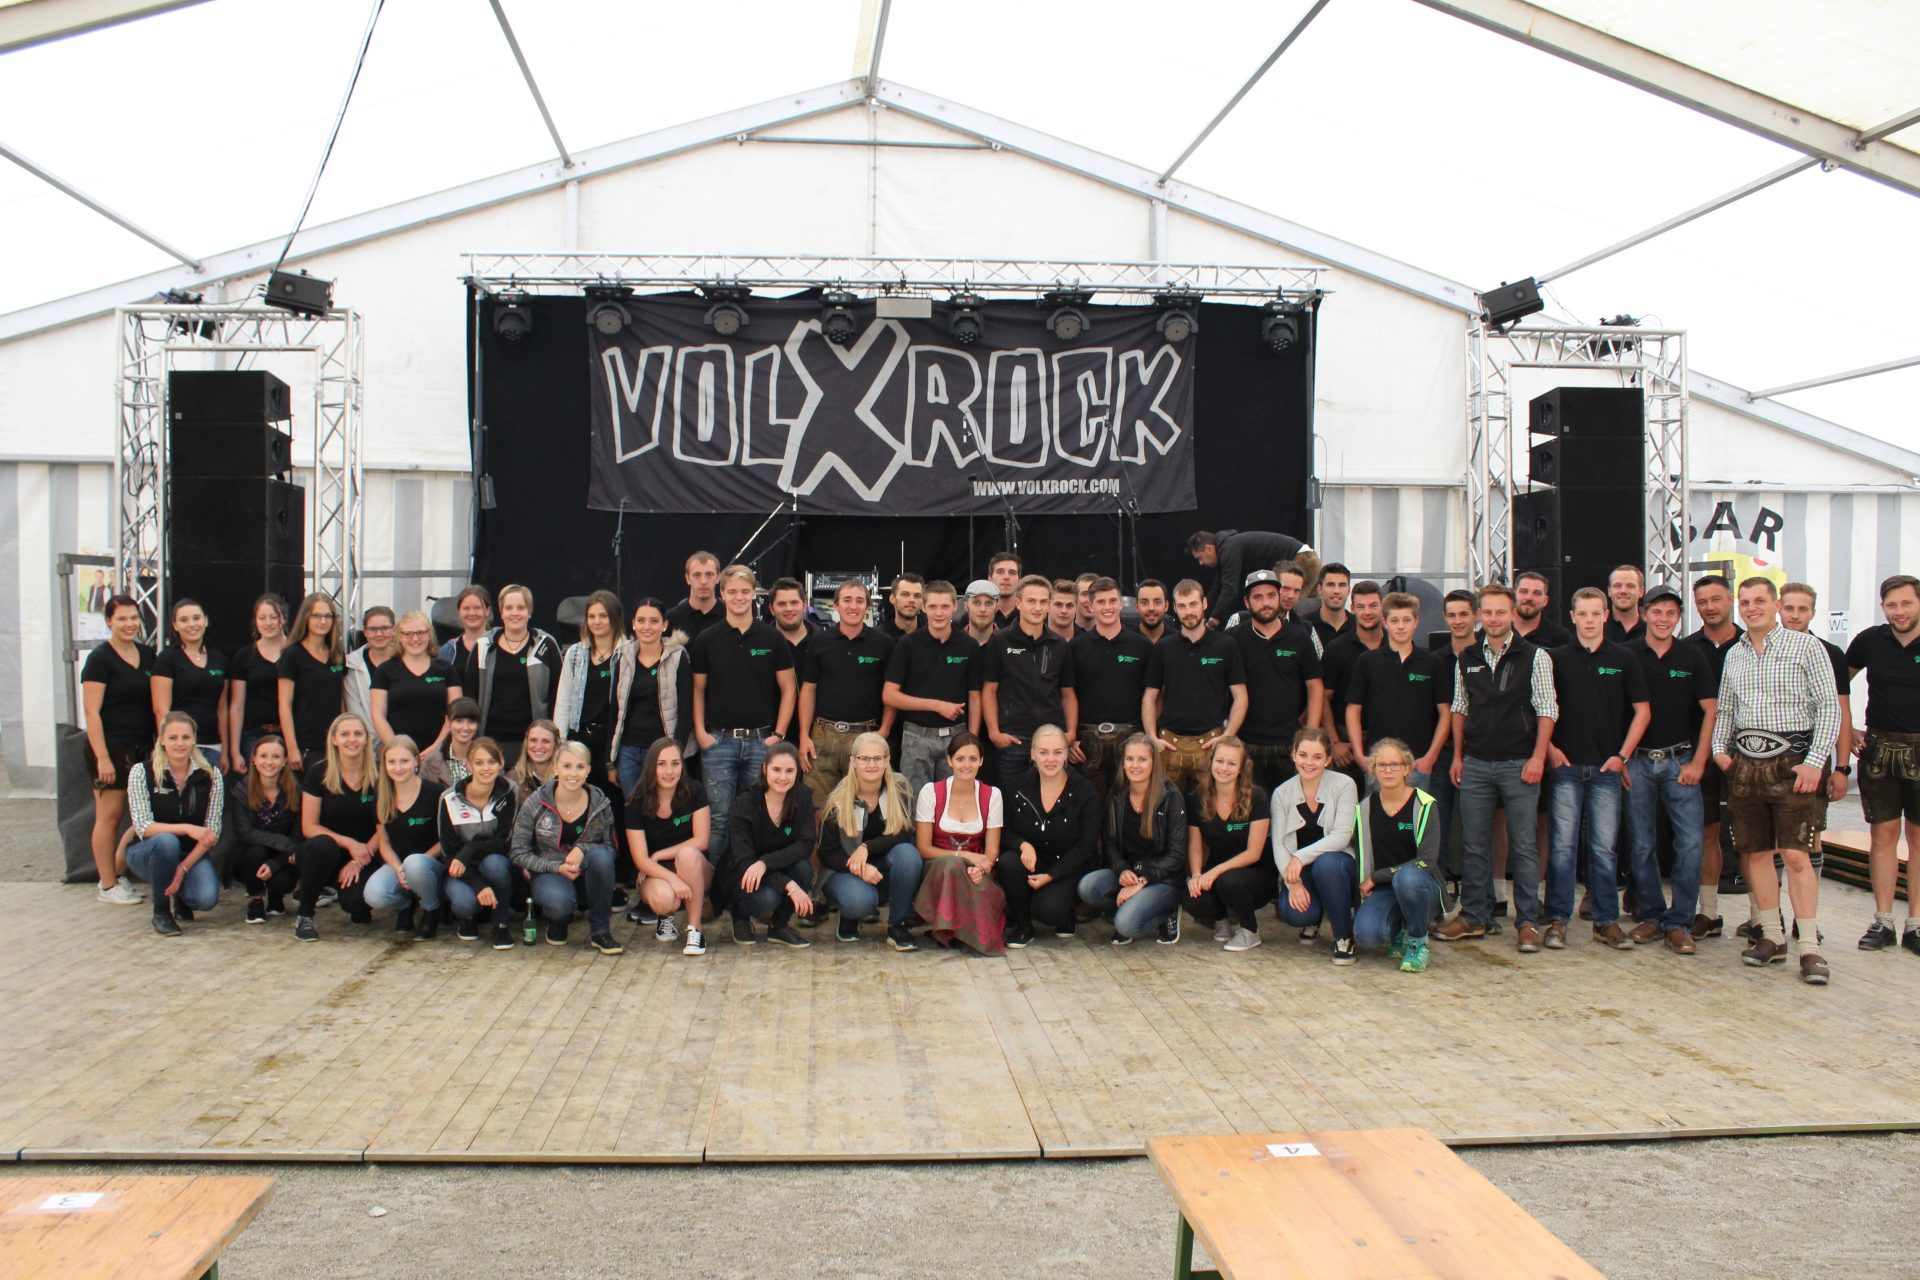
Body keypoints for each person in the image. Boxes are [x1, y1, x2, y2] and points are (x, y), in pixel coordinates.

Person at [1713, 577, 1841, 984]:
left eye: (1760, 601)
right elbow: (1726, 709)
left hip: (1793, 762)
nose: (1752, 608)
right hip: (1746, 764)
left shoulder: (1806, 647)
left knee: (1796, 855)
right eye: (1746, 602)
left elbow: (1829, 707)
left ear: (1776, 604)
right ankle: (1772, 936)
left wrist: (1815, 762)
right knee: (1755, 854)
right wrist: (1719, 750)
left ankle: (1810, 947)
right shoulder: (1735, 654)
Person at [1435, 583, 1558, 949]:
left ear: (1512, 614)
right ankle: (1475, 917)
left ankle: (1527, 921)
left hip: (1519, 763)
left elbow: (1547, 709)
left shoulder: (1535, 656)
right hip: (1475, 762)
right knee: (1474, 845)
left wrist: (1538, 757)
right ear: (1479, 616)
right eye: (1487, 612)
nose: (1493, 618)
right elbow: (1460, 708)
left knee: (1523, 846)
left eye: (1500, 612)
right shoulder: (1468, 657)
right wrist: (1459, 756)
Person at [1544, 587, 1651, 950]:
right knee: (1562, 848)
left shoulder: (1624, 658)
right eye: (1583, 614)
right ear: (1572, 616)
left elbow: (1643, 711)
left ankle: (1606, 922)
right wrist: (1550, 749)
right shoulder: (1554, 658)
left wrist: (1623, 755)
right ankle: (1557, 920)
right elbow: (1539, 708)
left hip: (1607, 770)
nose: (1589, 620)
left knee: (1604, 849)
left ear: (1606, 615)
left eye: (1595, 613)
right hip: (1566, 768)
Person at [1622, 584, 1716, 954]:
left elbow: (1711, 710)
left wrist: (1700, 761)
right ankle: (1652, 916)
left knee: (1690, 843)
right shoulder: (1627, 654)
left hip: (1681, 760)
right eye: (1657, 612)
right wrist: (1622, 758)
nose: (1664, 619)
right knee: (1641, 843)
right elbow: (1616, 711)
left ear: (1678, 617)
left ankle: (1679, 922)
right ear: (1644, 613)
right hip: (1638, 762)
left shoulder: (1692, 655)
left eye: (1671, 613)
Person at [691, 564, 797, 853]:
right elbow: (697, 689)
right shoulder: (707, 639)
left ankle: (755, 877)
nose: (739, 597)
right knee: (719, 820)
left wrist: (778, 734)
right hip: (718, 742)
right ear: (722, 594)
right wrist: (700, 732)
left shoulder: (772, 639)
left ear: (754, 594)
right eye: (733, 591)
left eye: (745, 591)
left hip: (761, 743)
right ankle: (715, 880)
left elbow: (789, 688)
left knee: (758, 818)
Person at [1845, 574, 1920, 953]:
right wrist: (1848, 728)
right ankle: (1883, 922)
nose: (1899, 611)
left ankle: (1916, 925)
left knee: (1918, 839)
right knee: (1882, 837)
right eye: (1892, 605)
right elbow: (1837, 686)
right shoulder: (1869, 641)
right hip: (1878, 750)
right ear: (1883, 607)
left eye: (1906, 603)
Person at [511, 739, 622, 953]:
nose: (573, 773)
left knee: (602, 858)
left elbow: (611, 847)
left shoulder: (600, 802)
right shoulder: (536, 802)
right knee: (559, 905)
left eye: (580, 766)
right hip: (549, 871)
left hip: (585, 870)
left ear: (588, 770)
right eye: (567, 766)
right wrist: (557, 867)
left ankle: (600, 932)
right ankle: (558, 921)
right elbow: (518, 852)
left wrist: (583, 849)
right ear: (556, 768)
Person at [1141, 579, 1248, 797]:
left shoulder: (1226, 645)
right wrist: (1152, 737)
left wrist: (1228, 736)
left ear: (1204, 604)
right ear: (1174, 607)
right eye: (1182, 606)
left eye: (1193, 604)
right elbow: (1149, 697)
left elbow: (1241, 696)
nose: (1188, 612)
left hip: (1210, 743)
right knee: (1165, 811)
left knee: (1208, 810)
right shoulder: (1163, 648)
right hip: (1169, 744)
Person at [83, 594, 156, 905]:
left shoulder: (148, 655)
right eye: (122, 618)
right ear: (109, 621)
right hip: (111, 747)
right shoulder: (100, 659)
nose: (129, 624)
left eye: (134, 618)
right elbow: (91, 712)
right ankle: (108, 885)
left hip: (143, 746)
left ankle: (117, 870)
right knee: (109, 815)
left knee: (143, 814)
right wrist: (102, 757)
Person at [818, 731, 923, 949]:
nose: (871, 764)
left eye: (877, 758)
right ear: (853, 761)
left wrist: (867, 847)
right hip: (844, 870)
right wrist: (858, 868)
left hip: (883, 867)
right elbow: (827, 854)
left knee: (909, 855)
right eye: (864, 758)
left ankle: (898, 926)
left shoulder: (900, 787)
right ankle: (850, 916)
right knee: (859, 901)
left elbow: (904, 833)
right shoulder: (838, 799)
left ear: (887, 760)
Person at [123, 711, 225, 936]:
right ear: (161, 740)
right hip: (148, 851)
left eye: (185, 737)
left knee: (206, 898)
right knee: (167, 842)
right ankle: (161, 912)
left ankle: (182, 897)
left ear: (194, 739)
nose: (180, 743)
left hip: (189, 853)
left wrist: (183, 868)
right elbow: (143, 826)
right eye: (173, 737)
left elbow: (212, 832)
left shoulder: (211, 774)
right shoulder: (142, 772)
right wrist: (187, 828)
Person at [797, 579, 895, 809]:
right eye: (847, 600)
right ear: (836, 605)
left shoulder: (883, 643)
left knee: (864, 807)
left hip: (865, 734)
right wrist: (804, 736)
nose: (853, 606)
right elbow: (808, 689)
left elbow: (891, 692)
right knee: (816, 806)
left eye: (859, 601)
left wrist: (884, 731)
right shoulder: (819, 641)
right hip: (823, 735)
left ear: (867, 607)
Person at [1080, 733, 1185, 945]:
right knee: (1088, 887)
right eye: (1129, 759)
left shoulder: (1170, 797)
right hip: (1130, 873)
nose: (1135, 765)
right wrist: (1122, 870)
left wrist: (1143, 880)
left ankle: (1167, 912)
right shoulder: (1118, 794)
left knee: (1126, 924)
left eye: (1142, 759)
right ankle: (1130, 907)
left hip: (1163, 878)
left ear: (1154, 763)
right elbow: (1109, 842)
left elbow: (1177, 855)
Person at [999, 724, 1100, 947]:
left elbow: (1086, 845)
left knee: (1048, 911)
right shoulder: (1016, 786)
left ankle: (1064, 914)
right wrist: (1023, 844)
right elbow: (1004, 830)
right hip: (1033, 860)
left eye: (1057, 752)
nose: (1050, 759)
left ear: (1066, 754)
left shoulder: (1084, 790)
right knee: (1007, 862)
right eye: (1043, 752)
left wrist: (1051, 876)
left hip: (1068, 865)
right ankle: (1024, 926)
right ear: (1033, 754)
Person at [1351, 738, 1445, 973]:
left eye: (1395, 764)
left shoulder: (1425, 805)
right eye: (1382, 765)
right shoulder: (1364, 808)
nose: (1388, 770)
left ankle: (1417, 942)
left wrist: (1377, 876)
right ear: (1373, 770)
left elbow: (1427, 861)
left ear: (1407, 769)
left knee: (1407, 877)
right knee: (1367, 934)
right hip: (1384, 888)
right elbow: (1362, 860)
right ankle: (1397, 931)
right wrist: (1363, 898)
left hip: (1420, 885)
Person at [1344, 591, 1449, 792]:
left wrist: (1431, 757)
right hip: (1377, 764)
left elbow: (1445, 712)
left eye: (1406, 620)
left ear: (1416, 622)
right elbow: (1353, 709)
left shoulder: (1432, 663)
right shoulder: (1367, 661)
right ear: (1385, 622)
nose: (1401, 626)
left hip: (1418, 764)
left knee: (1417, 813)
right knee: (1375, 812)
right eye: (1394, 620)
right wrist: (1359, 755)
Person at [1271, 728, 1361, 961]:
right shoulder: (1281, 793)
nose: (1309, 763)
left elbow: (1342, 835)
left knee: (1326, 865)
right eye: (1303, 755)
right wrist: (1293, 884)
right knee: (1297, 914)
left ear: (1328, 759)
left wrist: (1299, 857)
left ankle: (1344, 937)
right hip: (1300, 870)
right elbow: (1279, 845)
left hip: (1336, 863)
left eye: (1317, 757)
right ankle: (1313, 919)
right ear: (1293, 755)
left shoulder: (1345, 784)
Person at [883, 580, 981, 794]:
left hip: (957, 737)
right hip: (916, 737)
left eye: (945, 606)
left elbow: (975, 696)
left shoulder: (969, 646)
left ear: (955, 606)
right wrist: (936, 705)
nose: (938, 613)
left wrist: (971, 739)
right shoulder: (907, 644)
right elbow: (890, 695)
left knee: (954, 801)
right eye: (933, 606)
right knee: (914, 804)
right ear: (923, 607)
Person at [715, 742, 817, 947]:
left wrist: (765, 863)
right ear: (764, 769)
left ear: (797, 772)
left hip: (771, 867)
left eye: (790, 771)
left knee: (803, 869)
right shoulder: (745, 802)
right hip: (742, 873)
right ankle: (740, 915)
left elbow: (806, 844)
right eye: (776, 770)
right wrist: (789, 885)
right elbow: (744, 860)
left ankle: (778, 927)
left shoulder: (803, 797)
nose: (783, 777)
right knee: (768, 899)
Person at [912, 733, 1006, 954]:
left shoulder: (993, 795)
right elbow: (923, 848)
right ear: (949, 760)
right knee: (952, 866)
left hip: (976, 866)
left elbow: (992, 851)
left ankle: (959, 934)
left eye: (973, 759)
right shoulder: (931, 792)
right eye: (960, 758)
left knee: (982, 888)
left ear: (981, 761)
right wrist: (964, 856)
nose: (966, 765)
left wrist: (980, 868)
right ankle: (948, 930)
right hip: (938, 866)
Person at [1231, 570, 1324, 792]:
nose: (1266, 603)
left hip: (1289, 744)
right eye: (1258, 597)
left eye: (1271, 595)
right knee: (1249, 809)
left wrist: (1309, 737)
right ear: (1247, 602)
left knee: (1290, 808)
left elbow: (1315, 688)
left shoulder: (1299, 637)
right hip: (1245, 744)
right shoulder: (1232, 640)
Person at [982, 574, 1078, 789]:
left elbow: (1068, 693)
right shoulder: (999, 640)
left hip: (1051, 741)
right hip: (1012, 741)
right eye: (1031, 601)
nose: (1037, 607)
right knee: (1010, 802)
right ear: (1018, 603)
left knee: (1051, 801)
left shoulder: (1060, 644)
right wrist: (994, 733)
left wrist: (1071, 732)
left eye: (1043, 602)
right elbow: (989, 691)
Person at [1687, 574, 1743, 935]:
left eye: (1716, 599)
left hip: (1749, 755)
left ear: (1730, 600)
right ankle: (1708, 912)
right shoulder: (1688, 649)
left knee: (1754, 839)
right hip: (1703, 755)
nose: (1709, 607)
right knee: (1707, 833)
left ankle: (1762, 918)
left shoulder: (1751, 644)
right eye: (1702, 602)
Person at [292, 712, 380, 941]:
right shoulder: (318, 772)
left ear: (366, 739)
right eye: (345, 734)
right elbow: (309, 826)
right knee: (323, 845)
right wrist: (349, 843)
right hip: (324, 852)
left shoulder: (380, 774)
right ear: (334, 739)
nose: (352, 739)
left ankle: (355, 904)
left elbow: (387, 825)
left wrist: (358, 860)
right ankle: (305, 916)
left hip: (365, 852)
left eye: (358, 734)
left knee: (355, 902)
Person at [1182, 736, 1275, 952]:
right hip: (1219, 871)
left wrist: (1214, 872)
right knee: (1191, 897)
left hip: (1256, 874)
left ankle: (1250, 931)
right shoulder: (1197, 798)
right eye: (1220, 761)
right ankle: (1221, 920)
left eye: (1232, 763)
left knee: (1228, 881)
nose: (1224, 768)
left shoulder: (1257, 798)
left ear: (1241, 768)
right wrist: (1196, 875)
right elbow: (1195, 846)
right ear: (1211, 762)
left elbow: (1253, 853)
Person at [1069, 576, 1154, 806]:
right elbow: (1068, 696)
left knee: (1129, 809)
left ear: (1120, 603)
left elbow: (1152, 697)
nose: (1107, 607)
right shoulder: (1076, 647)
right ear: (1091, 606)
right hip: (1086, 743)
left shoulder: (1142, 646)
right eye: (1101, 602)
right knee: (1091, 811)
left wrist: (1148, 736)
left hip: (1131, 739)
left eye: (1112, 601)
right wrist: (1071, 739)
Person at [623, 737, 712, 954]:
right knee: (664, 899)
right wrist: (672, 878)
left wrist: (659, 855)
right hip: (656, 872)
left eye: (675, 763)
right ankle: (665, 917)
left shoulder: (695, 790)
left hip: (694, 867)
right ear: (651, 767)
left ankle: (695, 929)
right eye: (661, 764)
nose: (669, 771)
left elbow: (702, 841)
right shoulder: (636, 801)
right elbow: (640, 859)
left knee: (687, 854)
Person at [436, 736, 519, 948]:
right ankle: (467, 918)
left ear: (501, 763)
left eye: (491, 762)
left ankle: (500, 924)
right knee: (465, 903)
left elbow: (503, 841)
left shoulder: (509, 792)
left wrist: (469, 850)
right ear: (468, 765)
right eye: (479, 762)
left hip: (492, 862)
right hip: (460, 868)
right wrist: (478, 885)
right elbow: (449, 853)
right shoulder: (449, 799)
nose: (486, 768)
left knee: (495, 863)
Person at [363, 735, 447, 939]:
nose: (398, 767)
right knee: (374, 895)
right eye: (391, 762)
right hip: (398, 863)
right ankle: (405, 905)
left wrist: (414, 866)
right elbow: (384, 842)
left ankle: (431, 908)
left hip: (429, 864)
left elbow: (446, 839)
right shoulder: (382, 795)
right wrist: (399, 869)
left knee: (415, 864)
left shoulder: (435, 793)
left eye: (404, 761)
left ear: (416, 761)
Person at [470, 584, 562, 764]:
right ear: (501, 612)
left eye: (521, 607)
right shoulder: (483, 645)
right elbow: (470, 694)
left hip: (534, 744)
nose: (515, 613)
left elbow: (557, 695)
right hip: (490, 740)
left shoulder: (546, 645)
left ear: (529, 612)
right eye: (509, 608)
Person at [611, 597, 694, 796]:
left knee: (662, 805)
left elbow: (685, 710)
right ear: (633, 623)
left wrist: (676, 751)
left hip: (662, 750)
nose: (646, 627)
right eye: (641, 621)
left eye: (654, 621)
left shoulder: (677, 657)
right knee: (633, 806)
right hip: (629, 751)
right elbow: (615, 708)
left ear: (664, 625)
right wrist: (610, 760)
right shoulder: (623, 656)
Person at [553, 589, 626, 787]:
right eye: (591, 616)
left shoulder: (628, 653)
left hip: (611, 742)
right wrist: (561, 743)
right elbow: (563, 700)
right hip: (579, 737)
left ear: (615, 617)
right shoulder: (574, 654)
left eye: (603, 616)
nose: (597, 621)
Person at [227, 734, 299, 924]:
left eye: (276, 757)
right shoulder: (241, 790)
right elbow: (245, 832)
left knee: (283, 881)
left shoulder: (295, 791)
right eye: (263, 756)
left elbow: (297, 836)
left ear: (284, 761)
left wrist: (275, 863)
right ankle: (255, 900)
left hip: (282, 858)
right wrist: (284, 843)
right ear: (254, 759)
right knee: (256, 850)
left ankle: (276, 895)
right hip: (249, 856)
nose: (269, 762)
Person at [151, 597, 230, 769]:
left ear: (205, 620)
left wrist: (225, 750)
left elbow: (222, 708)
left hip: (213, 745)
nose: (191, 624)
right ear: (175, 625)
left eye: (196, 618)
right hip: (180, 748)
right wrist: (169, 745)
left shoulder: (219, 659)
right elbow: (161, 709)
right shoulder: (167, 659)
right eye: (184, 620)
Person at [371, 608, 459, 758]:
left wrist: (436, 748)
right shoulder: (384, 671)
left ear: (429, 635)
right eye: (408, 634)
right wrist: (398, 749)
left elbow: (455, 713)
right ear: (399, 637)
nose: (415, 638)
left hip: (439, 755)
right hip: (398, 757)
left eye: (420, 633)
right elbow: (377, 715)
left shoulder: (446, 669)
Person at [1185, 528, 1309, 629]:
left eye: (1200, 558)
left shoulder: (1229, 548)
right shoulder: (1228, 547)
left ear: (1209, 548)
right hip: (1299, 555)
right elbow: (1218, 587)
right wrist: (1203, 615)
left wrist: (1212, 622)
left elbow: (1229, 590)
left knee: (1292, 607)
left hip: (1304, 558)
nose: (1201, 563)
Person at [1319, 580, 1384, 775]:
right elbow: (1323, 698)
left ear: (1382, 608)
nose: (1367, 612)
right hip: (1345, 743)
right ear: (1353, 609)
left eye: (1373, 605)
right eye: (1361, 606)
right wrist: (1334, 742)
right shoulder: (1336, 648)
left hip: (1385, 739)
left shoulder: (1395, 645)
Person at [277, 592, 347, 772]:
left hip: (334, 743)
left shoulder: (337, 654)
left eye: (328, 616)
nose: (323, 621)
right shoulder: (292, 655)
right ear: (306, 618)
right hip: (305, 743)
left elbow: (341, 700)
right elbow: (284, 704)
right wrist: (292, 748)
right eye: (316, 616)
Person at [227, 593, 290, 768]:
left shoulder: (296, 653)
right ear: (256, 621)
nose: (268, 623)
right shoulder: (244, 657)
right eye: (262, 618)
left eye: (273, 617)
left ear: (283, 619)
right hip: (254, 735)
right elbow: (237, 706)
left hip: (291, 734)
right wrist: (234, 750)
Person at [343, 605, 398, 742]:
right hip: (367, 743)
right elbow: (354, 709)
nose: (379, 634)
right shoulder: (352, 664)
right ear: (365, 632)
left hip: (403, 741)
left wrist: (395, 743)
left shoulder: (406, 661)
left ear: (394, 630)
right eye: (373, 629)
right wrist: (376, 744)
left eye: (384, 628)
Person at [439, 584, 493, 696]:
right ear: (459, 612)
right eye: (466, 608)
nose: (471, 613)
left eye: (477, 608)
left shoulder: (498, 646)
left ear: (487, 611)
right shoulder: (447, 651)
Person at [422, 698, 481, 790]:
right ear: (447, 721)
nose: (465, 727)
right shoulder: (430, 762)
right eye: (459, 721)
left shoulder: (490, 758)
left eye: (471, 722)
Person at [665, 550, 724, 639]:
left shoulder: (731, 616)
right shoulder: (670, 620)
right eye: (697, 575)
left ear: (718, 577)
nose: (703, 581)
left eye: (709, 575)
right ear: (687, 578)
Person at [766, 577, 821, 666]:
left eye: (794, 603)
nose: (789, 609)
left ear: (804, 606)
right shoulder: (761, 642)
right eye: (781, 604)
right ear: (772, 609)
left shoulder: (823, 640)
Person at [1513, 571, 1573, 649]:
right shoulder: (1500, 630)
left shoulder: (1561, 638)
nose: (1529, 597)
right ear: (1514, 596)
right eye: (1524, 591)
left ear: (1545, 601)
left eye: (1537, 593)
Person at [1306, 563, 1354, 655]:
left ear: (1348, 590)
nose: (1336, 591)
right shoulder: (1304, 626)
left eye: (1342, 585)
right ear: (1319, 589)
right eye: (1330, 585)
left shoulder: (1358, 626)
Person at [511, 720, 560, 794]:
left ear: (556, 745)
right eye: (533, 740)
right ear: (526, 743)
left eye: (546, 741)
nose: (539, 746)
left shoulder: (566, 776)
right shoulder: (512, 778)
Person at [1605, 565, 1646, 643]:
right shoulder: (1597, 629)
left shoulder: (1651, 632)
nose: (1623, 591)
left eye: (1630, 586)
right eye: (1617, 586)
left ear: (1641, 591)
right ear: (1609, 591)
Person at [881, 573, 925, 640]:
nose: (911, 600)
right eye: (905, 594)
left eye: (917, 596)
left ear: (922, 602)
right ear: (892, 599)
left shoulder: (932, 636)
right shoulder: (878, 638)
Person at [987, 552, 1022, 629]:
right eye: (1000, 572)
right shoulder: (975, 615)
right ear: (990, 578)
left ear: (1019, 580)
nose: (1006, 577)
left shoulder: (1029, 615)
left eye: (1012, 573)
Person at [963, 580, 1001, 647]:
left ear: (997, 607)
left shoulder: (1008, 645)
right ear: (966, 606)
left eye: (988, 603)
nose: (983, 609)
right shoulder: (953, 644)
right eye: (977, 603)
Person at [1134, 579, 1169, 644]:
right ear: (1137, 607)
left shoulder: (1180, 644)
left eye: (1157, 602)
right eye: (1144, 603)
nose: (1151, 608)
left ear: (1166, 606)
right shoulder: (1126, 642)